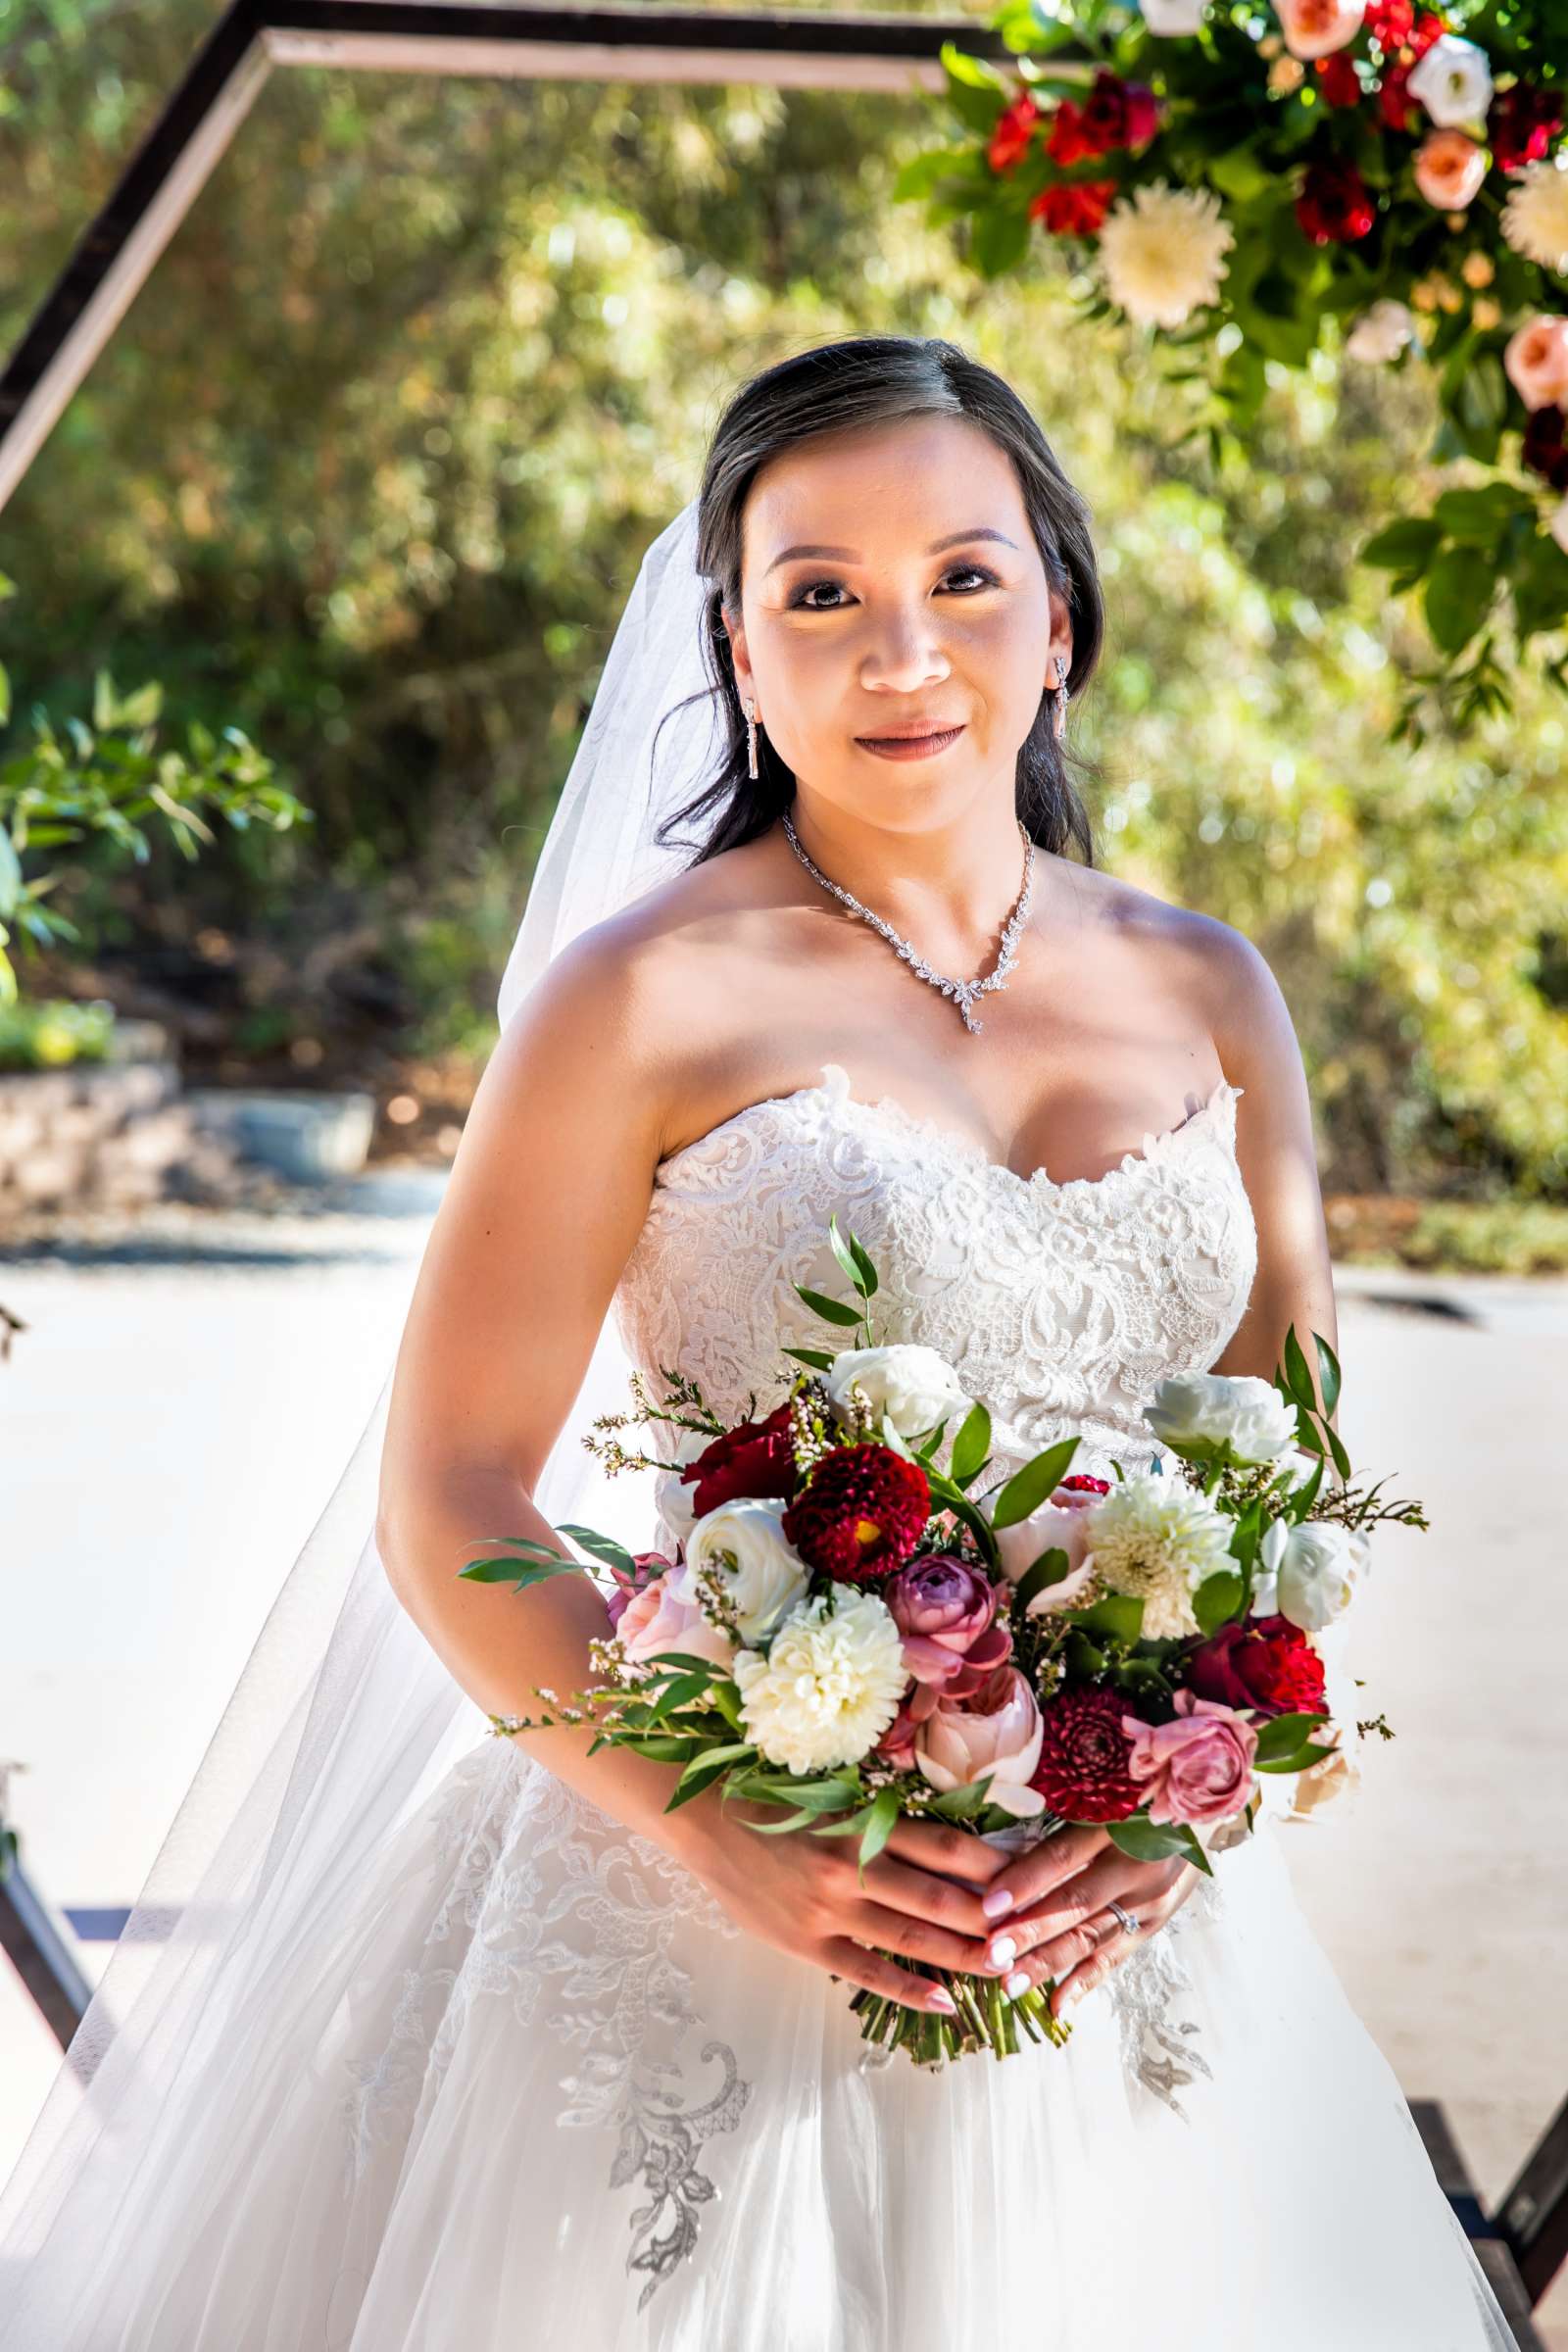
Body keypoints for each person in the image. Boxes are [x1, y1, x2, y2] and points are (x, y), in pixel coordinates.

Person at [0, 335, 1517, 2348]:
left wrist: (1178, 1807)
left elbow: (1279, 1475)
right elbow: (447, 1498)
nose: (901, 652)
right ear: (733, 639)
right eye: (821, 595)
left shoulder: (1209, 992)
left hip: (1118, 1929)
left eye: (961, 580)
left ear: (1055, 619)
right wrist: (721, 1830)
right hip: (709, 1923)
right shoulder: (640, 999)